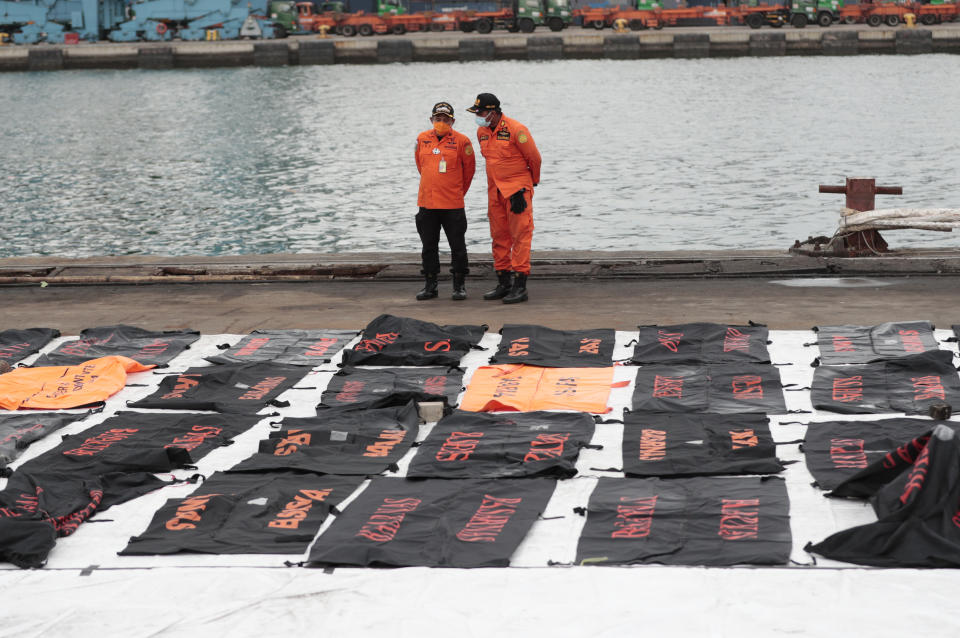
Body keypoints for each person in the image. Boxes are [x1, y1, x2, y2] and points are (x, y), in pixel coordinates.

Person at [467, 93, 541, 305]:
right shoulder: (481, 131)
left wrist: (529, 185)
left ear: (493, 112)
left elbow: (534, 158)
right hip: (495, 192)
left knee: (520, 236)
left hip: (517, 192)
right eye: (476, 112)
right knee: (499, 236)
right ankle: (503, 281)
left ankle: (520, 285)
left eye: (480, 112)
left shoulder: (517, 130)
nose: (477, 116)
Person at [413, 101, 476, 301]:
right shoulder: (422, 139)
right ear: (431, 120)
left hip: (452, 204)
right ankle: (430, 285)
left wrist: (456, 191)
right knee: (428, 246)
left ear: (453, 121)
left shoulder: (462, 141)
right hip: (427, 203)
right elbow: (420, 165)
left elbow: (469, 171)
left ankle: (459, 285)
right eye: (438, 119)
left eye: (445, 119)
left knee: (457, 246)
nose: (441, 122)